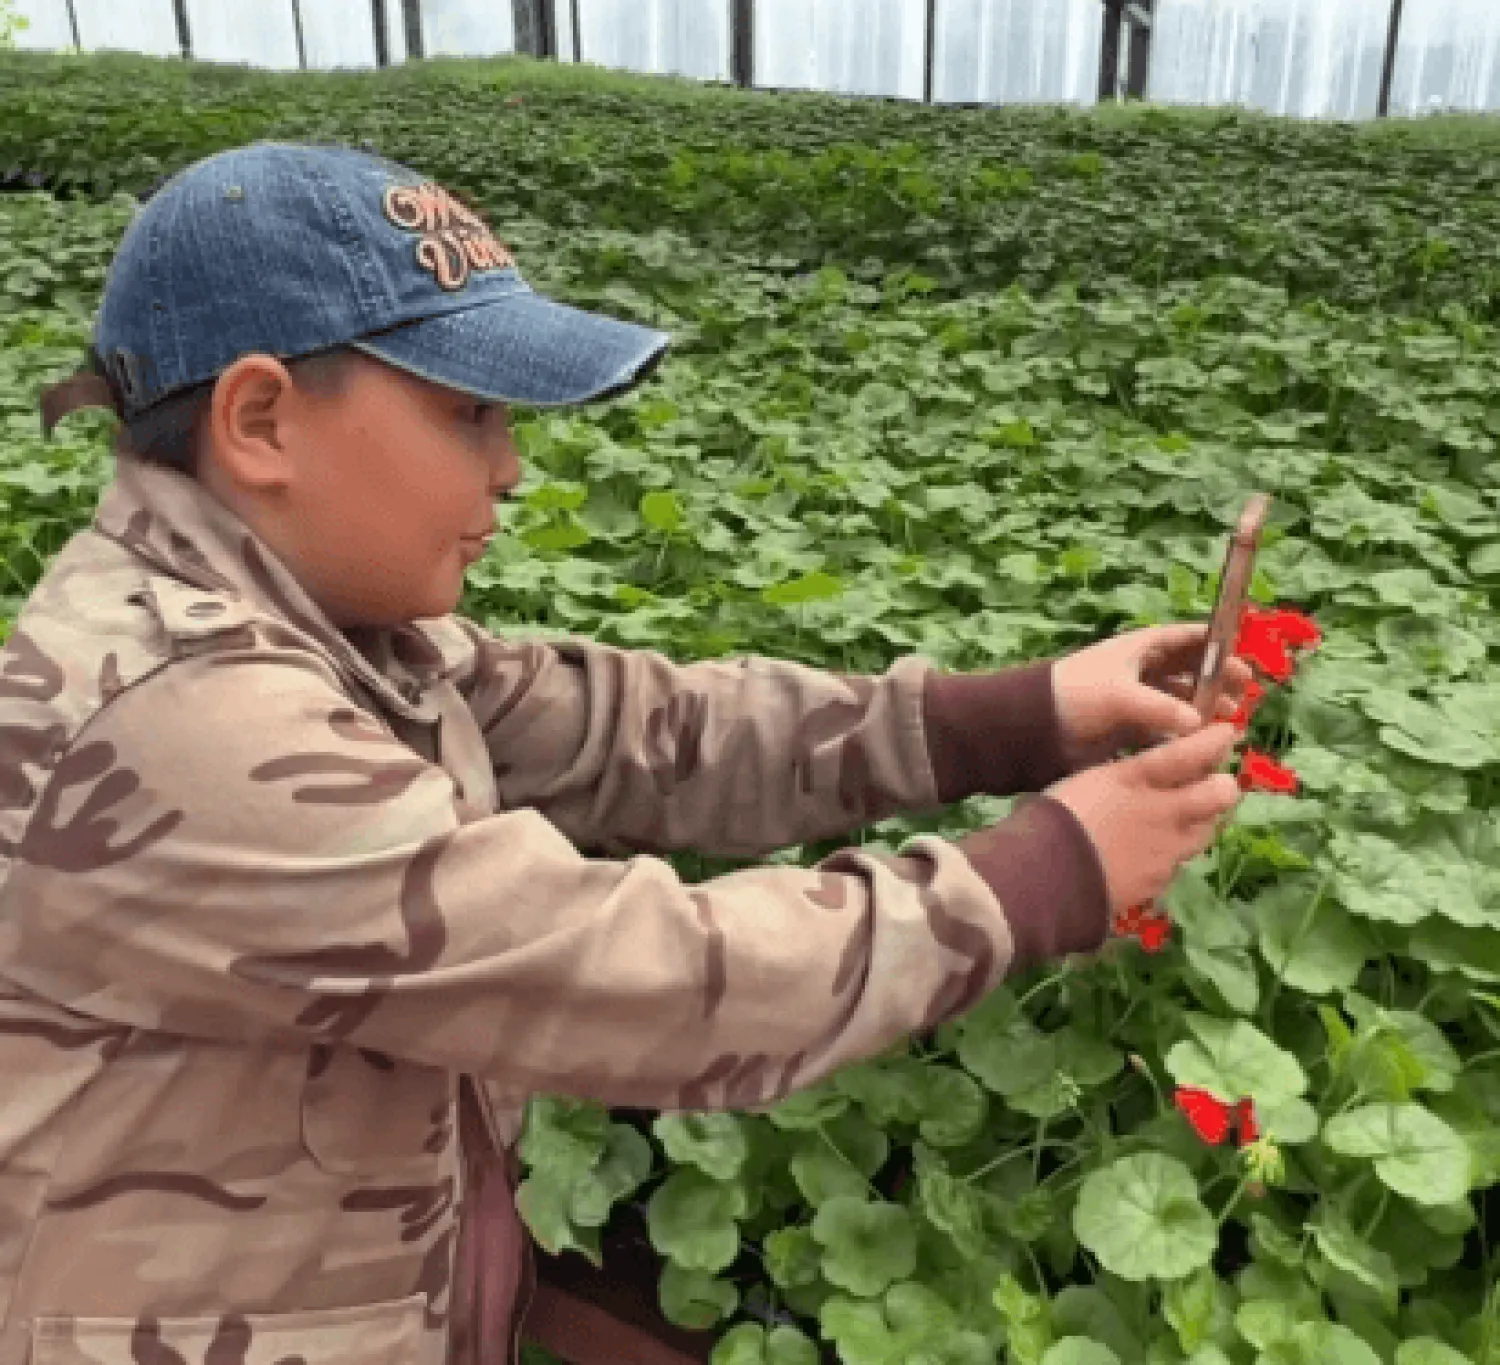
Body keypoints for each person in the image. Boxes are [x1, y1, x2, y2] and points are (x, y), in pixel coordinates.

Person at [13, 141, 1249, 1365]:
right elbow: (642, 981)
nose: (509, 465)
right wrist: (1046, 873)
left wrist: (1017, 716)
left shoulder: (323, 623)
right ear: (263, 420)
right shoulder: (178, 718)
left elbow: (641, 734)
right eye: (470, 412)